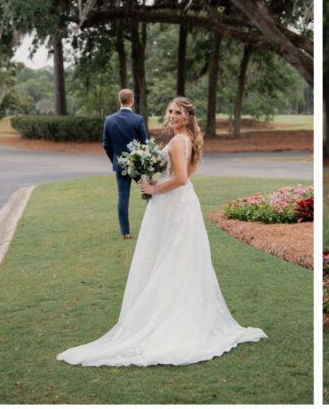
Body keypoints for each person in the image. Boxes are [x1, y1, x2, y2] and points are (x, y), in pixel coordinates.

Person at [58, 97, 265, 366]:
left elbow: (181, 178)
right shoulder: (183, 138)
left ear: (188, 117)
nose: (172, 115)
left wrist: (155, 188)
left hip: (174, 205)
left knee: (173, 258)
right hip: (175, 204)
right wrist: (154, 180)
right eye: (170, 111)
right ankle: (171, 310)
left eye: (178, 112)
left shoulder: (179, 141)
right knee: (173, 258)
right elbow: (175, 176)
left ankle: (169, 317)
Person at [102, 88, 149, 240]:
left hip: (120, 165)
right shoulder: (138, 119)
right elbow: (145, 144)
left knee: (123, 197)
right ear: (132, 100)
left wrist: (115, 159)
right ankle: (153, 226)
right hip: (138, 164)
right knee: (149, 193)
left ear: (119, 100)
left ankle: (125, 232)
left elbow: (106, 145)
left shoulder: (109, 120)